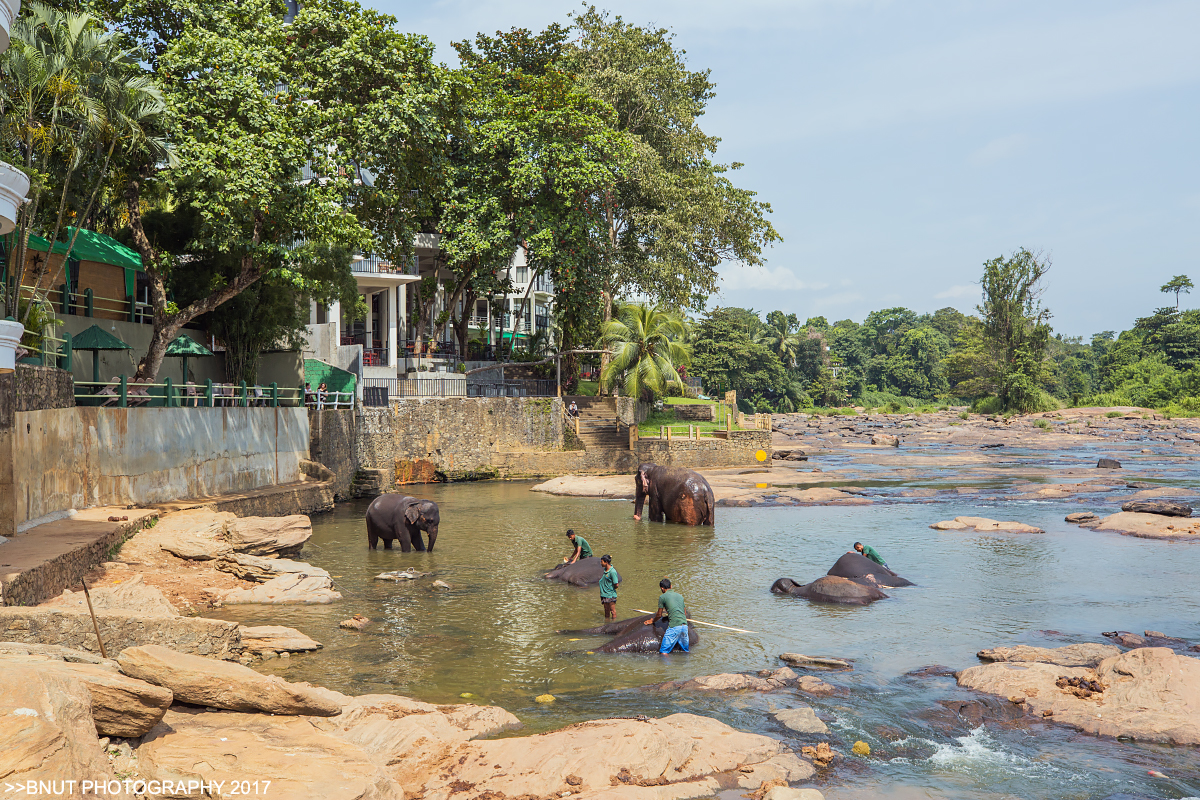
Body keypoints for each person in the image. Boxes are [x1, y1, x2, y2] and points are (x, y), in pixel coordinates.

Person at [644, 578, 689, 654]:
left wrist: (651, 621)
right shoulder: (680, 596)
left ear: (662, 588)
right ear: (671, 586)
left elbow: (659, 615)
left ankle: (667, 666)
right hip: (684, 626)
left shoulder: (663, 597)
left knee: (663, 652)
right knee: (686, 651)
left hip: (674, 627)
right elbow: (684, 613)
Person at [598, 554, 620, 619]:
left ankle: (614, 625)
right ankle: (607, 624)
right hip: (604, 594)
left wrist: (610, 589)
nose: (601, 563)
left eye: (602, 561)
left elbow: (616, 584)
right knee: (606, 611)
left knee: (613, 611)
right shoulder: (605, 570)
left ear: (606, 562)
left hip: (610, 595)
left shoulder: (612, 572)